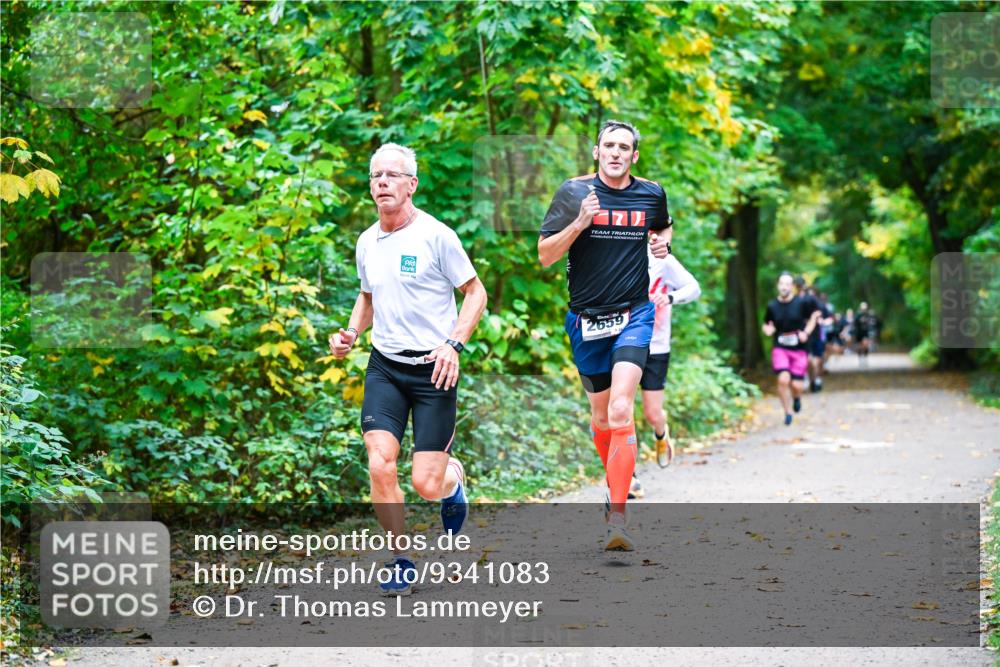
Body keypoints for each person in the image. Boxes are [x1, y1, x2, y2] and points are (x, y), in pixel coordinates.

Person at [330, 143, 487, 595]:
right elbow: (368, 297)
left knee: (425, 484)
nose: (382, 183)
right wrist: (350, 334)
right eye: (376, 176)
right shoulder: (366, 241)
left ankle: (452, 482)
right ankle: (400, 560)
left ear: (411, 184)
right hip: (386, 368)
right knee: (380, 464)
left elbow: (475, 293)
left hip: (434, 370)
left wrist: (454, 345)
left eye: (392, 175)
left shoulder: (437, 236)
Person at [538, 120, 672, 551]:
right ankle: (616, 484)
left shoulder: (651, 193)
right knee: (600, 419)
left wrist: (661, 244)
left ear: (635, 155)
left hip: (635, 314)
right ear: (596, 152)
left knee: (620, 409)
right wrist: (579, 223)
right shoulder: (573, 192)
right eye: (608, 146)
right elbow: (544, 256)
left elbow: (664, 226)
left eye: (624, 147)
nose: (616, 153)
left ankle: (619, 515)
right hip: (586, 321)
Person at [638, 247, 701, 476]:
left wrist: (669, 297)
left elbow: (694, 288)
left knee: (652, 413)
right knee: (620, 408)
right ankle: (626, 474)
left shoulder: (661, 259)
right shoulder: (615, 253)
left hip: (656, 346)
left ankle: (661, 434)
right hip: (623, 343)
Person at [762, 272, 821, 425]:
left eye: (787, 284)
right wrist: (768, 330)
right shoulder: (772, 305)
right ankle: (787, 412)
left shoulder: (801, 303)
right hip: (780, 346)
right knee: (783, 379)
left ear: (793, 287)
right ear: (778, 286)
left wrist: (806, 333)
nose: (784, 287)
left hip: (799, 348)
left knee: (796, 385)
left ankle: (796, 397)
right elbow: (767, 323)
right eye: (782, 284)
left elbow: (813, 318)